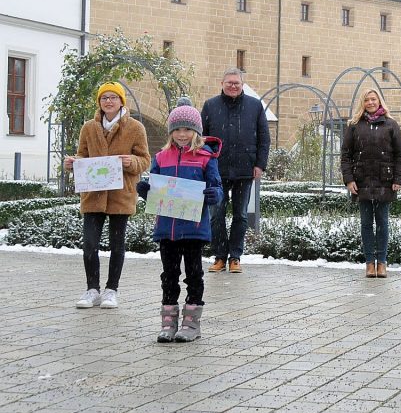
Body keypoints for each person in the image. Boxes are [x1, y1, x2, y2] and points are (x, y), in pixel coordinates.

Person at [137, 99, 223, 343]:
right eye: (177, 129)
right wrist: (145, 191)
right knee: (169, 275)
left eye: (187, 129)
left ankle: (191, 323)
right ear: (171, 132)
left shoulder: (206, 157)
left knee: (193, 275)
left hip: (193, 228)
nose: (182, 134)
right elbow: (155, 188)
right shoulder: (161, 157)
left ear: (196, 131)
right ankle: (168, 322)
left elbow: (217, 188)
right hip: (167, 229)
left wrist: (213, 194)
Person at [63, 82, 150, 309]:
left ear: (122, 101)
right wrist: (72, 164)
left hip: (121, 195)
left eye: (113, 97)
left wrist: (133, 162)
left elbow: (145, 160)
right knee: (90, 244)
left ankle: (112, 290)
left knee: (117, 245)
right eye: (104, 98)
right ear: (99, 102)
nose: (108, 101)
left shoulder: (135, 128)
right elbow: (83, 156)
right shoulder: (89, 128)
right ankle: (92, 289)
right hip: (93, 195)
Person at [201, 67, 270, 273]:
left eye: (237, 83)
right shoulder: (211, 106)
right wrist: (204, 164)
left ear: (242, 85)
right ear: (222, 84)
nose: (233, 86)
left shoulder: (255, 106)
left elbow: (264, 138)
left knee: (240, 215)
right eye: (229, 82)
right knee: (216, 214)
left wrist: (260, 164)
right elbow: (201, 138)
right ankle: (220, 256)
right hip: (216, 170)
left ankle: (235, 257)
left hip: (244, 169)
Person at [340, 89, 401, 279]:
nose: (370, 102)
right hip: (361, 181)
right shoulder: (354, 126)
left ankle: (382, 263)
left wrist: (398, 179)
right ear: (363, 103)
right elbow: (345, 155)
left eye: (373, 99)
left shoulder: (391, 125)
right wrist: (349, 179)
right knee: (366, 224)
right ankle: (370, 262)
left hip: (384, 181)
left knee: (383, 223)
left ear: (380, 101)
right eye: (367, 100)